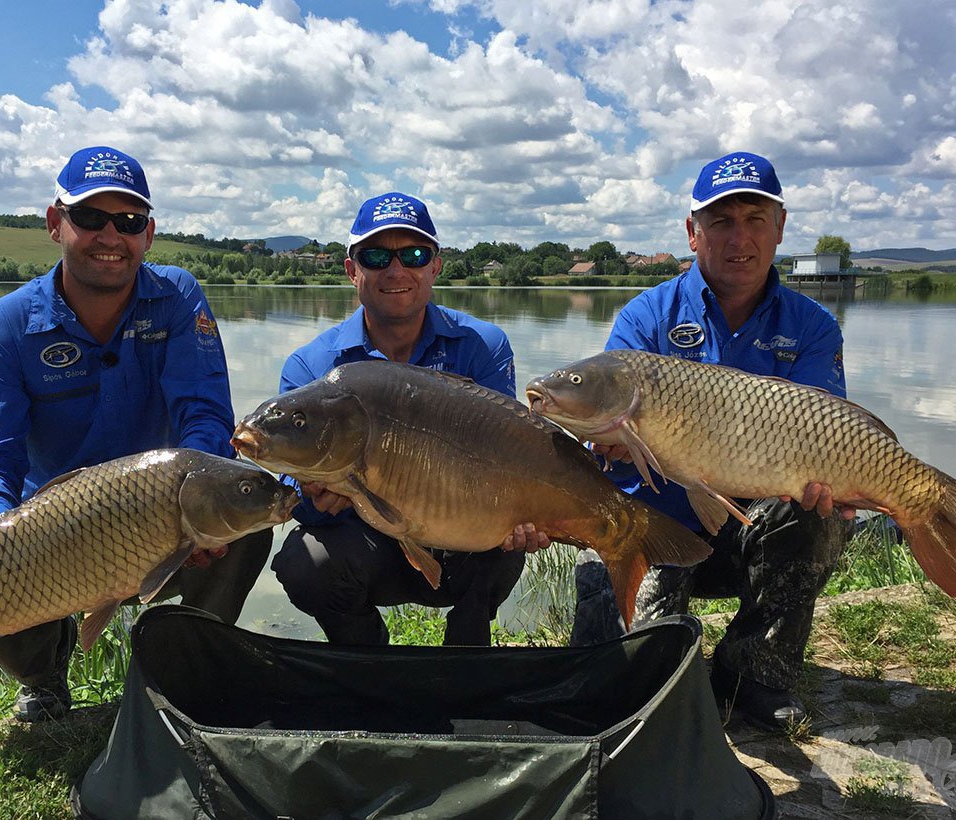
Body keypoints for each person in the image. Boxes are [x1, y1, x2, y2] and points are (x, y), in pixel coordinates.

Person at [0, 145, 272, 722]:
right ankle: (42, 682)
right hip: (47, 527)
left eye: (129, 222)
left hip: (160, 516)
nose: (111, 235)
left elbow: (204, 418)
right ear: (55, 222)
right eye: (90, 218)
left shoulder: (179, 298)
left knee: (245, 519)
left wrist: (205, 509)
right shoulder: (4, 327)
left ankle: (175, 675)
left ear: (149, 234)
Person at [571, 151, 855, 731]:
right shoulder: (645, 319)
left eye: (755, 220)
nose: (739, 239)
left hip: (753, 533)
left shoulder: (813, 327)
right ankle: (659, 657)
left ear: (779, 228)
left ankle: (752, 673)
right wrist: (608, 441)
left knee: (821, 515)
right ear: (693, 233)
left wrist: (844, 485)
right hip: (659, 524)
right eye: (721, 222)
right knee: (631, 684)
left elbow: (826, 433)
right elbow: (598, 426)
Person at [270, 192, 548, 646]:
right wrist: (311, 498)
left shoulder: (482, 345)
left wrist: (529, 511)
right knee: (306, 562)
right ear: (351, 269)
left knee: (505, 542)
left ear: (435, 266)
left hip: (463, 537)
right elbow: (297, 496)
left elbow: (509, 454)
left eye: (414, 255)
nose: (396, 271)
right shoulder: (310, 367)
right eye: (376, 256)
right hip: (367, 544)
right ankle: (368, 665)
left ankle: (468, 654)